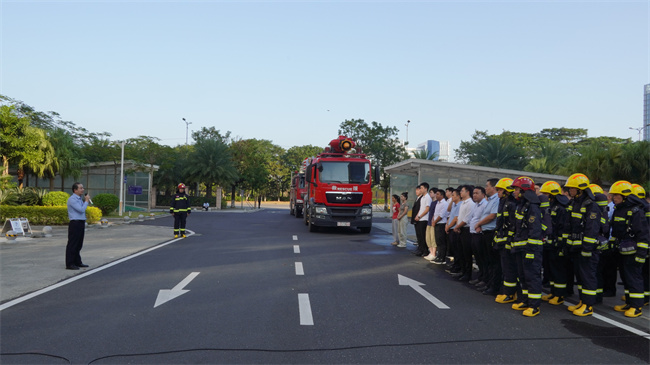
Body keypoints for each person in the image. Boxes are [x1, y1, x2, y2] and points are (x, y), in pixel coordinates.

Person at [609, 181, 648, 318]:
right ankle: (629, 303)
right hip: (622, 251)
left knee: (634, 279)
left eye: (617, 196)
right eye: (613, 195)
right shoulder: (618, 209)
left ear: (625, 196)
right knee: (626, 278)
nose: (614, 198)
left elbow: (643, 234)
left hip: (633, 252)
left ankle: (637, 307)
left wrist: (641, 254)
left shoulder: (636, 212)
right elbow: (615, 231)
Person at [564, 173, 602, 317]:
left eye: (572, 188)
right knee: (580, 277)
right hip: (577, 248)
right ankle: (582, 301)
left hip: (588, 250)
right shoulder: (575, 203)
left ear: (580, 189)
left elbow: (591, 230)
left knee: (588, 277)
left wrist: (587, 248)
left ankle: (588, 306)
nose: (569, 191)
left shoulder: (591, 206)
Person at [510, 176, 543, 317]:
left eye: (517, 189)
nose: (514, 192)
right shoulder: (521, 205)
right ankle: (525, 301)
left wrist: (530, 250)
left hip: (530, 249)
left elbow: (534, 231)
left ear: (524, 191)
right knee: (522, 276)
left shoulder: (532, 207)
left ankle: (534, 306)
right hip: (520, 247)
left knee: (532, 276)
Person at [539, 181, 570, 306]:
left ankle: (559, 295)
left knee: (558, 271)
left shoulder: (561, 208)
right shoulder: (550, 206)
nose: (543, 196)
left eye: (545, 193)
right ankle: (553, 292)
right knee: (550, 269)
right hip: (549, 244)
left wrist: (560, 244)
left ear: (551, 194)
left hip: (557, 245)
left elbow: (563, 228)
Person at [494, 178, 519, 304]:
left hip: (508, 242)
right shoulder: (503, 202)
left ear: (506, 191)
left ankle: (509, 293)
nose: (497, 192)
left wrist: (509, 241)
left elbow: (512, 225)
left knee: (509, 268)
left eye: (499, 190)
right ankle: (508, 291)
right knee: (505, 267)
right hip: (502, 241)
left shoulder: (511, 204)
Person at [476, 178, 499, 295]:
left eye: (487, 186)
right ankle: (488, 283)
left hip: (491, 233)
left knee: (493, 262)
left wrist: (479, 223)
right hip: (485, 232)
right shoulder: (490, 200)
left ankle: (493, 286)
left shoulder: (497, 199)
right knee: (487, 260)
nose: (485, 188)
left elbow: (492, 216)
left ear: (494, 187)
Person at [66, 182, 91, 270]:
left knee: (79, 244)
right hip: (75, 223)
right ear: (75, 190)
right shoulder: (72, 199)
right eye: (80, 188)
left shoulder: (79, 199)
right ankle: (70, 263)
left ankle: (77, 261)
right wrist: (86, 201)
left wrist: (85, 201)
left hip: (80, 222)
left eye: (82, 188)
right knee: (73, 244)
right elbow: (81, 210)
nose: (82, 190)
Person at [454, 185, 476, 281]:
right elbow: (460, 217)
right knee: (461, 252)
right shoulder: (463, 203)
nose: (461, 193)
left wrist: (458, 226)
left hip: (466, 230)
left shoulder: (470, 203)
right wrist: (458, 226)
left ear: (467, 192)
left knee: (467, 253)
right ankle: (462, 271)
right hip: (460, 229)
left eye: (462, 191)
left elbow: (466, 219)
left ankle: (468, 274)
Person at [413, 182, 432, 257]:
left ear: (425, 189)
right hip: (420, 219)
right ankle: (420, 249)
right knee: (420, 236)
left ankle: (425, 251)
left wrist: (420, 216)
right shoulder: (423, 198)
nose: (420, 189)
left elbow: (427, 209)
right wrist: (417, 216)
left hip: (424, 219)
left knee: (423, 236)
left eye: (421, 188)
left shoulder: (427, 197)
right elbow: (421, 209)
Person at [431, 189, 449, 264]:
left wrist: (435, 221)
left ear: (442, 195)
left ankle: (442, 258)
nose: (436, 195)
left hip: (441, 223)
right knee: (437, 241)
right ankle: (439, 256)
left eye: (438, 194)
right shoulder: (438, 203)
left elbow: (441, 215)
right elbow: (435, 213)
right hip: (436, 223)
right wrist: (433, 220)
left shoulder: (444, 203)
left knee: (441, 241)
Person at [424, 188, 439, 261]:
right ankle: (430, 252)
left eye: (432, 192)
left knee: (433, 238)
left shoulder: (436, 202)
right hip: (429, 222)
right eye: (430, 192)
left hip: (433, 223)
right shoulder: (432, 202)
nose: (430, 194)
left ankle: (434, 253)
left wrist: (433, 221)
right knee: (428, 238)